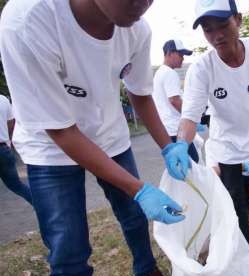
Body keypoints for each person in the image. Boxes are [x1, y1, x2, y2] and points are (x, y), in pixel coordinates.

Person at [0, 0, 190, 275]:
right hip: (50, 146)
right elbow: (61, 130)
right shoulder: (28, 21)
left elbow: (139, 93)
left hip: (110, 134)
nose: (142, 3)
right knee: (68, 247)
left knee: (135, 218)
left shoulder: (137, 29)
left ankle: (147, 268)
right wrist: (139, 189)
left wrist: (169, 147)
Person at [176, 0, 249, 275]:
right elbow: (190, 114)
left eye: (223, 25)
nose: (217, 35)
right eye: (208, 30)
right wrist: (181, 145)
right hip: (226, 144)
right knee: (235, 205)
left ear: (238, 20)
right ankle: (248, 257)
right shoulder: (202, 68)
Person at [152, 39, 200, 163]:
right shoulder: (169, 73)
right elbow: (174, 100)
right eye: (180, 54)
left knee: (180, 164)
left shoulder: (159, 73)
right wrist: (192, 117)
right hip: (176, 129)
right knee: (192, 163)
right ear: (169, 53)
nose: (182, 58)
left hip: (167, 129)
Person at [0, 95, 32, 205]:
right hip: (3, 149)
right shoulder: (3, 99)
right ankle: (44, 207)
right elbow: (11, 124)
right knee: (16, 185)